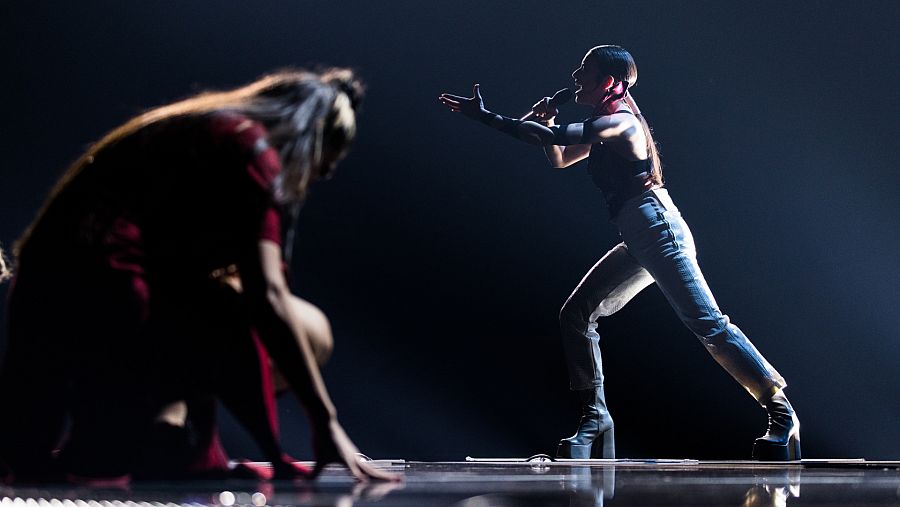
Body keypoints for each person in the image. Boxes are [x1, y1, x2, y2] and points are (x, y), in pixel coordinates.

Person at [0, 68, 399, 483]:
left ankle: (160, 425)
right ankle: (155, 428)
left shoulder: (210, 128)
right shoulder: (252, 153)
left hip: (47, 296)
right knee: (307, 329)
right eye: (327, 163)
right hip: (110, 306)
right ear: (312, 139)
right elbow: (269, 297)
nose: (325, 175)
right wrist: (324, 423)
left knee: (40, 460)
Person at [439, 45, 800, 461]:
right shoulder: (602, 124)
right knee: (576, 315)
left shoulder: (621, 124)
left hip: (658, 229)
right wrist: (547, 121)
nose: (575, 76)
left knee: (709, 325)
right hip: (639, 235)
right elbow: (558, 157)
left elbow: (553, 139)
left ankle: (781, 412)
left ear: (609, 82)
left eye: (584, 71)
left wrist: (484, 116)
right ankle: (595, 418)